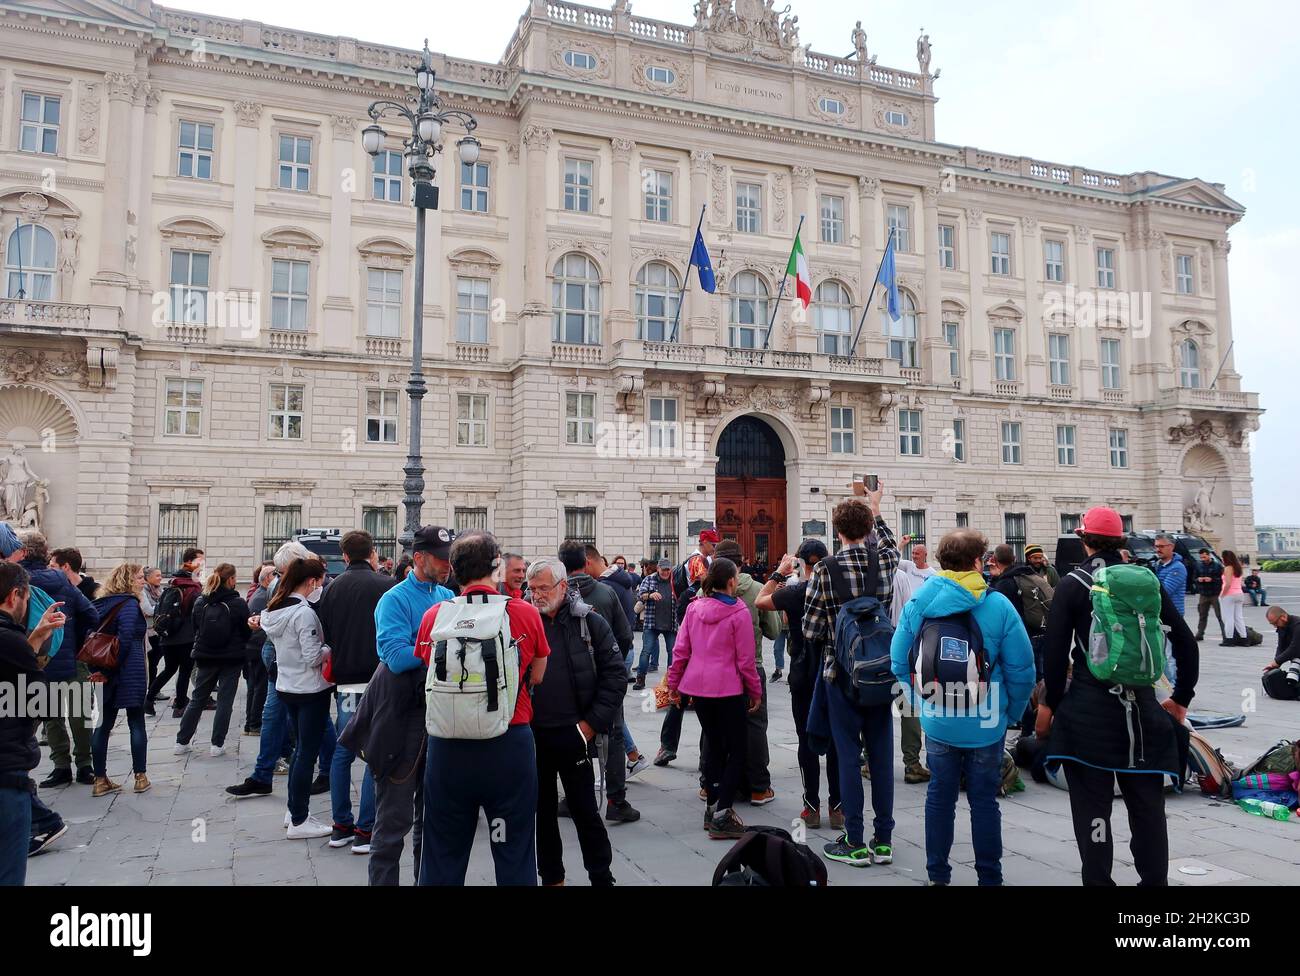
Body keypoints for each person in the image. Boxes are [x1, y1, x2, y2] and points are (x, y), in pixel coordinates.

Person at [1038, 507, 1198, 886]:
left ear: (1084, 539)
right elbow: (1186, 643)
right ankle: (1154, 882)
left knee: (1093, 810)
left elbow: (1056, 655)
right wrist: (1181, 697)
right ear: (1121, 541)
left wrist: (1050, 705)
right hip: (1143, 712)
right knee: (1147, 810)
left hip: (1089, 713)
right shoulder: (1145, 583)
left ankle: (1099, 881)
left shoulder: (1074, 583)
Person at [890, 529, 1035, 886]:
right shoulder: (997, 604)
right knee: (985, 801)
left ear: (941, 561)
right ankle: (990, 877)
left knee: (940, 795)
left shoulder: (919, 603)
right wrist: (1010, 714)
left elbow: (897, 662)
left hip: (939, 720)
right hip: (986, 721)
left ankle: (938, 875)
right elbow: (1022, 670)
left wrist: (921, 703)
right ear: (976, 561)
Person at [415, 531, 549, 886]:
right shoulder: (523, 613)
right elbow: (537, 674)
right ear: (496, 566)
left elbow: (426, 664)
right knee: (514, 849)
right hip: (508, 741)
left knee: (442, 850)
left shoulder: (435, 616)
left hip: (448, 746)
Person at [802, 479, 900, 866]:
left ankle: (854, 840)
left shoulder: (825, 569)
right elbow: (890, 543)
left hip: (839, 675)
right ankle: (884, 840)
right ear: (869, 529)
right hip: (882, 672)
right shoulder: (887, 560)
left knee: (847, 755)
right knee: (881, 755)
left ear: (837, 530)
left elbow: (810, 630)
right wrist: (875, 506)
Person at [364, 525, 455, 884]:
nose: (447, 564)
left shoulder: (446, 594)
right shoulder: (395, 599)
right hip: (403, 720)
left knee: (431, 821)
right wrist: (442, 651)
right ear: (418, 558)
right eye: (440, 558)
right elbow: (396, 656)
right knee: (392, 823)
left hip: (441, 716)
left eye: (450, 558)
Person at [528, 555, 623, 886]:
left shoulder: (590, 622)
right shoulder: (526, 623)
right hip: (534, 735)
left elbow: (615, 675)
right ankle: (552, 877)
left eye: (543, 588)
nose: (537, 594)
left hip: (575, 735)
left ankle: (601, 875)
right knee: (542, 814)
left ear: (562, 586)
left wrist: (590, 725)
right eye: (531, 588)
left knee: (585, 811)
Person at [667, 557, 762, 840]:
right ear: (732, 581)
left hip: (699, 688)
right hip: (729, 689)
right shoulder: (739, 612)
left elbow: (680, 650)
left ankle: (711, 805)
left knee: (713, 745)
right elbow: (746, 660)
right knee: (736, 749)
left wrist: (674, 683)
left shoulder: (694, 608)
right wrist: (754, 690)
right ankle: (723, 812)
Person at [225, 542, 326, 800]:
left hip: (292, 660)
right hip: (285, 658)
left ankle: (321, 770)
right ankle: (265, 774)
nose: (284, 576)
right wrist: (262, 620)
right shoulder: (280, 587)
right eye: (281, 572)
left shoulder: (314, 586)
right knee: (279, 715)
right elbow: (277, 615)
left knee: (305, 719)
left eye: (287, 571)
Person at [316, 530, 395, 855]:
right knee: (373, 753)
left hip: (346, 683)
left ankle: (340, 826)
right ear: (372, 552)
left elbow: (327, 636)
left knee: (343, 751)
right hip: (379, 681)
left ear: (344, 556)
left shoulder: (331, 589)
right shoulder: (387, 586)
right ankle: (365, 829)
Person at [756, 540, 841, 830]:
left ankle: (811, 807)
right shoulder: (837, 591)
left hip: (803, 673)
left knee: (806, 739)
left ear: (802, 564)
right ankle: (838, 807)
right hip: (833, 672)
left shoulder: (796, 591)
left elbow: (761, 600)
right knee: (835, 740)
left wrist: (779, 572)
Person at [557, 539, 639, 823]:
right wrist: (612, 664)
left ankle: (572, 797)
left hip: (569, 682)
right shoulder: (606, 593)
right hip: (605, 680)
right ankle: (616, 800)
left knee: (573, 735)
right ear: (586, 561)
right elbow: (626, 636)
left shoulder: (558, 596)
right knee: (614, 736)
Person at [1, 562, 68, 885]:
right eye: (26, 599)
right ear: (15, 596)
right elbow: (45, 705)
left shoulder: (13, 642)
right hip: (6, 772)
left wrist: (37, 637)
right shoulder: (9, 641)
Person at [18, 530, 99, 788]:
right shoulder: (61, 581)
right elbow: (91, 615)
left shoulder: (13, 581)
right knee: (80, 713)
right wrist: (73, 637)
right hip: (70, 658)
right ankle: (85, 765)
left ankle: (60, 766)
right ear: (45, 554)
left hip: (34, 659)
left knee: (50, 715)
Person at [261, 557, 334, 838]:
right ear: (311, 582)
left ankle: (294, 810)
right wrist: (329, 648)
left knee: (299, 750)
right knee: (306, 753)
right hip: (309, 689)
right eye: (320, 581)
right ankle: (300, 819)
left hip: (287, 685)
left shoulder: (275, 609)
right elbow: (313, 655)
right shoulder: (303, 613)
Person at [712, 539, 781, 805]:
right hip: (753, 665)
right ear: (743, 560)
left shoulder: (705, 591)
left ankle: (711, 785)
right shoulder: (757, 590)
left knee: (715, 727)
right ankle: (758, 788)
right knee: (754, 726)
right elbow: (774, 631)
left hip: (717, 671)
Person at [175, 563, 251, 757]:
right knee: (225, 701)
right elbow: (246, 631)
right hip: (232, 658)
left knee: (197, 699)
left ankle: (181, 742)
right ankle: (217, 745)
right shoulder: (238, 603)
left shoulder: (201, 601)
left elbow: (196, 628)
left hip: (205, 655)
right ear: (232, 580)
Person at [586, 544, 649, 777]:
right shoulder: (622, 581)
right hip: (622, 651)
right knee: (613, 710)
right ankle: (633, 756)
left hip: (610, 654)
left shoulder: (603, 587)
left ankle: (631, 758)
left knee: (610, 712)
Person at [89, 563, 151, 796]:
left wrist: (100, 668)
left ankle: (100, 779)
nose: (142, 581)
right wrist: (113, 666)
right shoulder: (129, 604)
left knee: (102, 725)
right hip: (128, 669)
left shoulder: (100, 604)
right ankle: (140, 776)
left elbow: (91, 637)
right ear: (127, 580)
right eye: (138, 577)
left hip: (102, 669)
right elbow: (125, 637)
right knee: (136, 722)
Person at [890, 538, 937, 784]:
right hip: (900, 640)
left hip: (869, 648)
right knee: (907, 704)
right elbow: (911, 610)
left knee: (872, 706)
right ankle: (911, 763)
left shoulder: (860, 574)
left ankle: (867, 761)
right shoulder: (901, 577)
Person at [147, 547, 204, 717]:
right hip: (185, 635)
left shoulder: (173, 581)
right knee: (185, 671)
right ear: (188, 562)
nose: (202, 564)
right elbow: (196, 611)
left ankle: (148, 699)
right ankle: (180, 705)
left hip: (168, 634)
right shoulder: (193, 586)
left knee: (169, 668)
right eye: (200, 561)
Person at [634, 558, 677, 690]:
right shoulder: (649, 579)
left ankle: (672, 681)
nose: (665, 572)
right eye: (663, 569)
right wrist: (650, 595)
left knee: (673, 653)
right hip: (652, 622)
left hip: (671, 622)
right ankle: (640, 679)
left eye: (667, 569)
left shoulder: (674, 580)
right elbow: (640, 595)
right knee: (646, 651)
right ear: (658, 568)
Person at [242, 565, 274, 735]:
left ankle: (250, 723)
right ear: (268, 577)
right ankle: (254, 724)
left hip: (253, 646)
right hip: (258, 646)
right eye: (275, 574)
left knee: (254, 686)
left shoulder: (259, 593)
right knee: (259, 687)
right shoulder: (263, 596)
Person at [1262, 606, 1300, 699]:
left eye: (1275, 623)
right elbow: (1281, 647)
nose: (1275, 626)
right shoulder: (1282, 626)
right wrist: (1276, 664)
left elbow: (1294, 648)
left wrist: (1277, 661)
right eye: (1272, 624)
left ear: (1283, 617)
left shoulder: (1298, 625)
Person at [139, 567, 165, 699]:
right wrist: (163, 608)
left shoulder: (158, 590)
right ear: (147, 578)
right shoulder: (143, 591)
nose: (160, 578)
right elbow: (148, 610)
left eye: (160, 575)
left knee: (155, 662)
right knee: (151, 663)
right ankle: (150, 691)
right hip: (148, 632)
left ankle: (153, 690)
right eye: (157, 575)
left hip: (157, 630)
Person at [1192, 549, 1224, 642]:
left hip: (1215, 593)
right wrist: (1199, 579)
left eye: (1204, 557)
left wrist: (1212, 579)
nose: (1203, 559)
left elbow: (1222, 579)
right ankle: (1200, 633)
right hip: (1203, 593)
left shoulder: (1217, 566)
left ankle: (1225, 633)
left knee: (1220, 615)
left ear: (1209, 556)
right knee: (1202, 614)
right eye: (1201, 557)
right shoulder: (1198, 565)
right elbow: (1194, 578)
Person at [1219, 550, 1249, 646]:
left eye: (1222, 557)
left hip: (1229, 595)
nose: (1222, 559)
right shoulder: (1238, 568)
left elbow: (1227, 584)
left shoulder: (1228, 568)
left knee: (1228, 618)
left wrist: (1222, 594)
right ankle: (1244, 638)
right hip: (1239, 593)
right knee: (1238, 617)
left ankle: (1229, 639)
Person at [1153, 535, 1188, 617]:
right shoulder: (1156, 565)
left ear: (1172, 547)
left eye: (1161, 546)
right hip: (1160, 613)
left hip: (1173, 615)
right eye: (1156, 546)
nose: (1158, 550)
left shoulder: (1178, 568)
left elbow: (1165, 591)